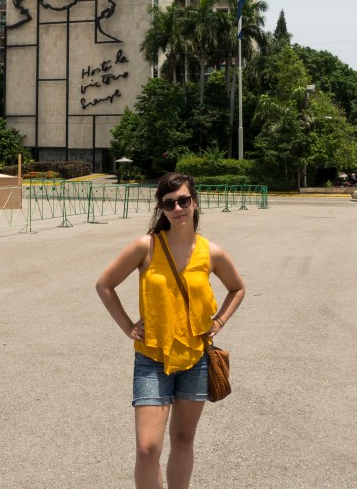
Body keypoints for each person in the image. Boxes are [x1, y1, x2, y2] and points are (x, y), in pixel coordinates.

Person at [96, 173, 246, 489]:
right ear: (161, 208)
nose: (177, 208)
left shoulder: (211, 252)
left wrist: (218, 322)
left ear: (194, 202)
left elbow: (237, 288)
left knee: (182, 439)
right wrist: (127, 326)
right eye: (169, 203)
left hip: (195, 358)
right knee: (147, 447)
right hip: (152, 358)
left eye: (183, 200)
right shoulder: (146, 247)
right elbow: (105, 284)